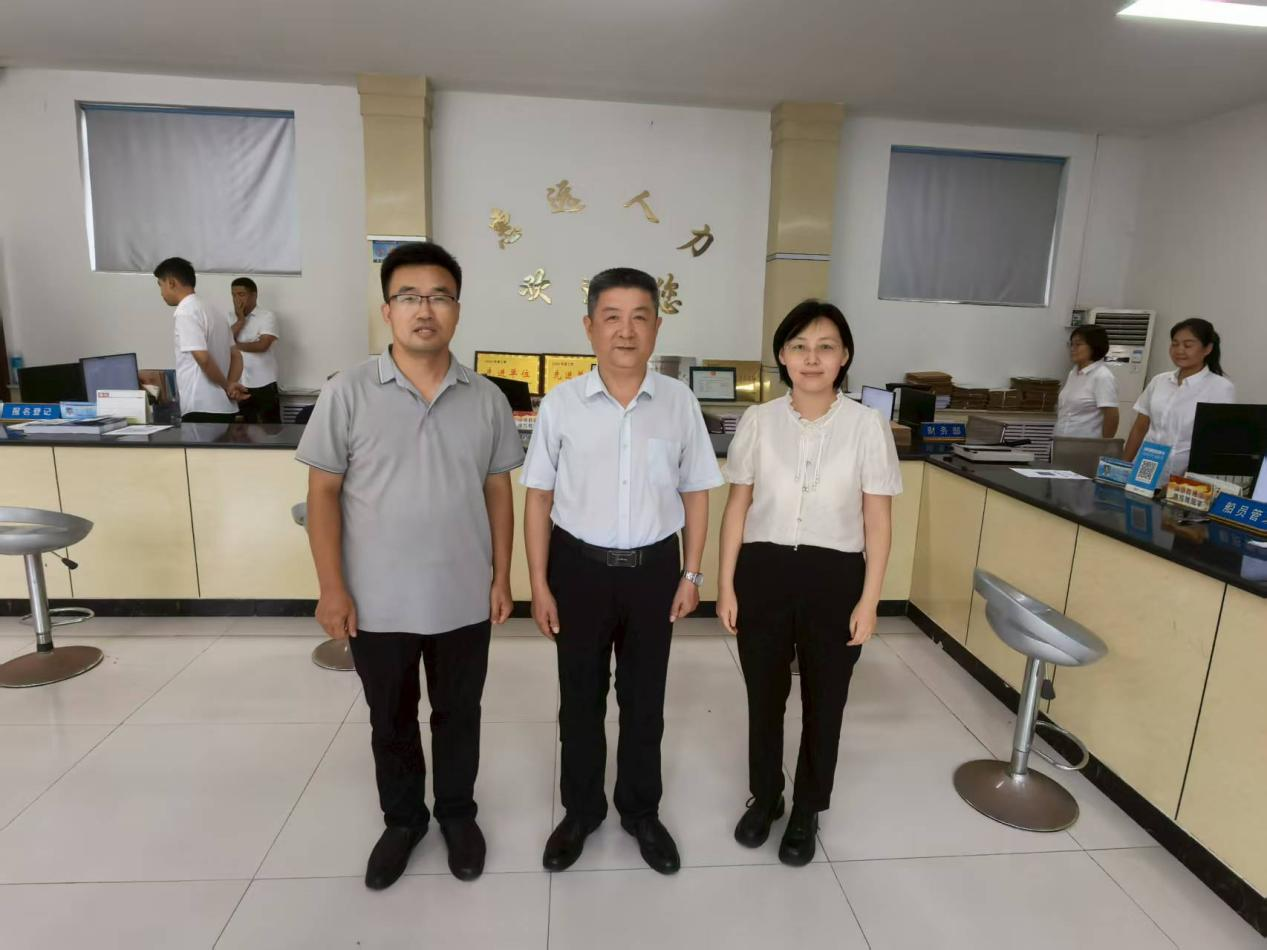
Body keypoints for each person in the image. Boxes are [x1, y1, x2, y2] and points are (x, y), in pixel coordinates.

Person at [296, 241, 523, 890]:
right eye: (409, 297)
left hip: (462, 594)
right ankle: (402, 821)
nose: (425, 310)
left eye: (439, 296)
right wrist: (332, 588)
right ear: (387, 310)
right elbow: (323, 493)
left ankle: (456, 814)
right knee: (390, 719)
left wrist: (501, 576)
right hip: (378, 599)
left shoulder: (486, 398)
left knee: (459, 715)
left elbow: (498, 490)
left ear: (458, 309)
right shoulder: (347, 392)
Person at [522, 267, 723, 875]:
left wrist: (692, 575)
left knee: (645, 700)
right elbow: (538, 496)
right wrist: (538, 583)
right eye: (612, 317)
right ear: (589, 327)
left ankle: (640, 811)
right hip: (578, 569)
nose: (626, 330)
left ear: (657, 327)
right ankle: (581, 812)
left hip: (654, 571)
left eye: (640, 317)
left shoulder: (680, 403)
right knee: (579, 700)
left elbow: (696, 492)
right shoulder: (561, 405)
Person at [717, 300, 901, 866]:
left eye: (825, 347)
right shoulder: (759, 421)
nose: (812, 358)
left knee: (827, 700)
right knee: (764, 695)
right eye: (799, 346)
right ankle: (766, 794)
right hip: (763, 571)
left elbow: (878, 520)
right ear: (782, 355)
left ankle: (807, 807)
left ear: (845, 356)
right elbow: (738, 507)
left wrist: (869, 600)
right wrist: (726, 585)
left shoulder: (867, 426)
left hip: (835, 576)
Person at [1124, 317, 1235, 477]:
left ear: (1207, 349)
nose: (1179, 350)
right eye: (1175, 344)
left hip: (1183, 477)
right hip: (1144, 469)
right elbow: (1140, 427)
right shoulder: (1159, 381)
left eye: (1188, 345)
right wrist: (1123, 465)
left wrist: (1188, 482)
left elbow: (1215, 443)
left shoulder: (1220, 388)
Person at [153, 257, 247, 422]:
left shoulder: (186, 311)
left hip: (201, 407)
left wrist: (227, 386)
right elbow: (236, 355)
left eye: (160, 285)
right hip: (224, 408)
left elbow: (202, 358)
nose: (161, 293)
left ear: (171, 283)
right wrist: (230, 385)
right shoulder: (214, 311)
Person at [230, 277, 282, 424]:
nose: (237, 299)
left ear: (254, 295)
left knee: (269, 431)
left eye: (241, 294)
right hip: (239, 384)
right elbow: (224, 343)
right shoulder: (230, 317)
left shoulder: (267, 316)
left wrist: (235, 345)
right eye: (233, 295)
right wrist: (240, 321)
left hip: (264, 384)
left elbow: (262, 345)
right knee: (240, 431)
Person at [1054, 325, 1119, 439]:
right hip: (1062, 441)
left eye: (1078, 344)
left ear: (1094, 346)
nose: (1073, 349)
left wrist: (1104, 445)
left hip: (1086, 445)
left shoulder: (1102, 376)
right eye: (1071, 344)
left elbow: (1111, 416)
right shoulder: (1073, 373)